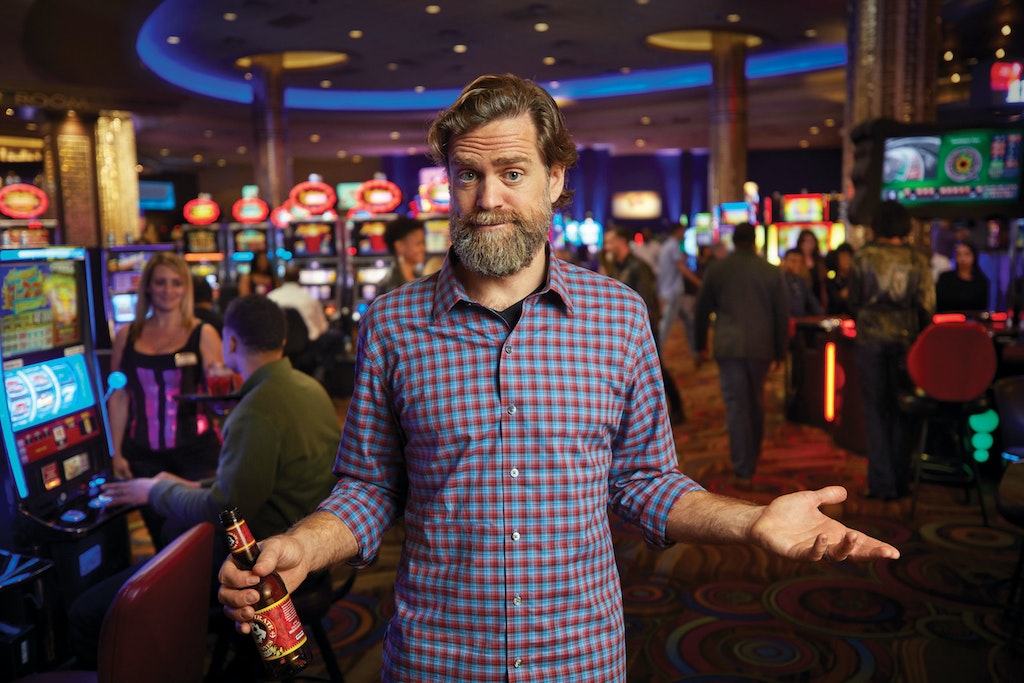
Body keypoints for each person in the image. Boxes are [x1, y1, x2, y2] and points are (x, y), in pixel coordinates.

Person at [218, 73, 899, 683]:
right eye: (466, 175)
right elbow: (370, 486)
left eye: (512, 172)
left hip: (577, 655)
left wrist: (752, 522)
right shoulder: (392, 323)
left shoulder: (618, 316)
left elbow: (644, 482)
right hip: (437, 657)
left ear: (556, 177)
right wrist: (303, 544)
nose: (487, 198)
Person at [70, 295, 342, 675]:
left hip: (269, 558)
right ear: (282, 339)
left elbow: (225, 508)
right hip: (310, 546)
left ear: (230, 342)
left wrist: (154, 491)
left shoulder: (257, 408)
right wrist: (190, 482)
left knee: (89, 611)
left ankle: (180, 646)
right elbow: (255, 477)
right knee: (176, 527)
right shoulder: (306, 386)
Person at [108, 251, 224, 548]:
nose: (168, 290)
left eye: (176, 283)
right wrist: (116, 451)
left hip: (196, 454)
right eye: (160, 282)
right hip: (142, 454)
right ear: (147, 286)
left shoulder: (203, 332)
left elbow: (221, 394)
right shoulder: (127, 335)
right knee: (162, 540)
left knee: (199, 541)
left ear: (185, 288)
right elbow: (119, 397)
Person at [848, 200, 934, 501]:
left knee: (875, 411)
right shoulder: (918, 258)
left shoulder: (864, 256)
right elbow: (927, 307)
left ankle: (881, 483)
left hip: (870, 338)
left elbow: (854, 300)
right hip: (906, 341)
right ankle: (902, 479)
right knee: (903, 409)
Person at [695, 223, 790, 488]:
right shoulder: (770, 271)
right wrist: (781, 350)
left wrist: (699, 344)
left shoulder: (718, 268)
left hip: (729, 346)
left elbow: (702, 310)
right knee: (755, 401)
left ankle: (743, 466)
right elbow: (782, 315)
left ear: (734, 241)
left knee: (737, 405)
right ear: (755, 241)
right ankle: (753, 455)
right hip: (762, 346)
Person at [604, 224, 685, 425]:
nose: (607, 246)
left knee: (654, 370)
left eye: (610, 241)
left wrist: (642, 330)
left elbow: (645, 302)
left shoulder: (638, 266)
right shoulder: (617, 265)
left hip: (642, 328)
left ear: (621, 242)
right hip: (622, 329)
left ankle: (677, 408)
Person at [656, 221, 701, 355]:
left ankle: (696, 351)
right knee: (665, 326)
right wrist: (699, 283)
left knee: (688, 321)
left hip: (669, 291)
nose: (685, 234)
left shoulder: (667, 245)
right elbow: (681, 267)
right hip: (672, 292)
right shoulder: (673, 245)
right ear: (678, 231)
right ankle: (656, 357)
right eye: (683, 231)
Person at [267, 263, 331, 341]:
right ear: (299, 278)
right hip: (307, 346)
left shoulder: (271, 297)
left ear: (283, 278)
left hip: (277, 344)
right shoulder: (309, 298)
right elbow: (323, 327)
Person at [377, 215, 428, 295]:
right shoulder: (390, 286)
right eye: (418, 244)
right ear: (399, 246)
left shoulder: (421, 278)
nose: (423, 248)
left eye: (423, 243)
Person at [935, 240, 990, 313]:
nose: (962, 258)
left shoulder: (981, 281)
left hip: (972, 322)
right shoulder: (945, 278)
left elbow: (982, 308)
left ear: (974, 256)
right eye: (959, 254)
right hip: (948, 320)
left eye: (966, 254)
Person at [781, 248, 824, 318]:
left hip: (799, 322)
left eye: (800, 262)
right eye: (793, 261)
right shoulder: (779, 281)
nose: (797, 265)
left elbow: (812, 303)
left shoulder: (800, 281)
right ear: (784, 261)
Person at [796, 228, 827, 307]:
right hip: (802, 301)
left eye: (812, 241)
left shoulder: (819, 262)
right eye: (807, 241)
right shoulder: (797, 261)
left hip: (818, 299)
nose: (810, 244)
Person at [824, 242, 855, 317]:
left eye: (849, 257)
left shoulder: (855, 279)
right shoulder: (831, 280)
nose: (847, 260)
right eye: (844, 257)